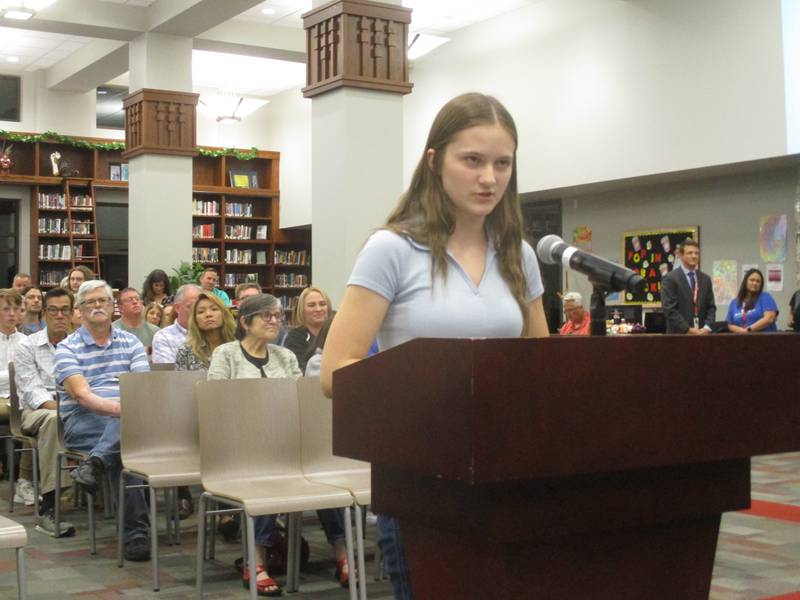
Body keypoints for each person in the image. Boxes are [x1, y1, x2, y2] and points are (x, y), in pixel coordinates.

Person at [320, 93, 549, 600]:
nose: (489, 178)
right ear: (434, 161)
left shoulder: (519, 255)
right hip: (420, 472)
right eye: (472, 160)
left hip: (504, 467)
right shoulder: (393, 249)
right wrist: (430, 393)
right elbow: (336, 372)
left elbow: (543, 366)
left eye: (502, 163)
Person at [209, 294, 350, 595]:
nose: (275, 321)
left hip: (286, 443)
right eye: (266, 316)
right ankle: (255, 559)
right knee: (269, 473)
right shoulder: (226, 354)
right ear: (245, 322)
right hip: (239, 445)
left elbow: (300, 401)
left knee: (323, 472)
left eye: (277, 316)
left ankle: (342, 552)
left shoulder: (284, 356)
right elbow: (215, 404)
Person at [54, 280, 151, 561]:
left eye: (103, 301)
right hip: (84, 420)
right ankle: (136, 535)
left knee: (125, 454)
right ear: (79, 311)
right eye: (90, 302)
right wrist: (123, 411)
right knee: (127, 444)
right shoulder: (67, 348)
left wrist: (128, 410)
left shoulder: (131, 342)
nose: (97, 306)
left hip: (125, 420)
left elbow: (142, 388)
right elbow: (82, 396)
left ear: (113, 307)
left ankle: (95, 464)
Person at [14, 287, 77, 537]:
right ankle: (50, 508)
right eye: (53, 310)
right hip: (38, 412)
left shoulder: (80, 345)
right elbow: (33, 392)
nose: (59, 315)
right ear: (44, 313)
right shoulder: (27, 346)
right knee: (54, 420)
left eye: (65, 310)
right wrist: (69, 408)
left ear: (73, 313)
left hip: (78, 408)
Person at [0, 289, 31, 502]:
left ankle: (25, 481)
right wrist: (13, 374)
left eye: (16, 309)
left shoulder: (26, 341)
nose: (12, 314)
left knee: (38, 419)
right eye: (6, 309)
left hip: (20, 400)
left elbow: (31, 375)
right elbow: (20, 374)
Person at [660, 239, 716, 334]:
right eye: (690, 253)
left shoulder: (705, 279)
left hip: (702, 334)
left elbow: (711, 307)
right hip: (679, 336)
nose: (694, 256)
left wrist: (707, 327)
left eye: (696, 253)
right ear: (681, 256)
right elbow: (669, 309)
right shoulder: (670, 278)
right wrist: (688, 329)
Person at [174, 291, 236, 371]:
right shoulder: (186, 351)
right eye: (201, 312)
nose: (208, 314)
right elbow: (180, 382)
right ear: (195, 319)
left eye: (214, 309)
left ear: (224, 314)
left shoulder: (239, 347)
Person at [283, 286, 332, 373]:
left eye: (322, 304)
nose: (318, 309)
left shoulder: (336, 333)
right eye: (311, 305)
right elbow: (300, 370)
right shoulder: (294, 339)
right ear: (302, 310)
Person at [151, 284, 201, 364]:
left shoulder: (211, 334)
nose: (196, 311)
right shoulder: (164, 337)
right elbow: (168, 374)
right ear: (177, 308)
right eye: (191, 306)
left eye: (200, 307)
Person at [726, 268, 778, 333]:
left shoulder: (765, 297)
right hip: (742, 340)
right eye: (752, 280)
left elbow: (769, 319)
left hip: (765, 341)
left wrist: (748, 330)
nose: (755, 283)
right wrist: (742, 331)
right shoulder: (734, 303)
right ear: (745, 281)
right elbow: (729, 325)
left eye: (758, 281)